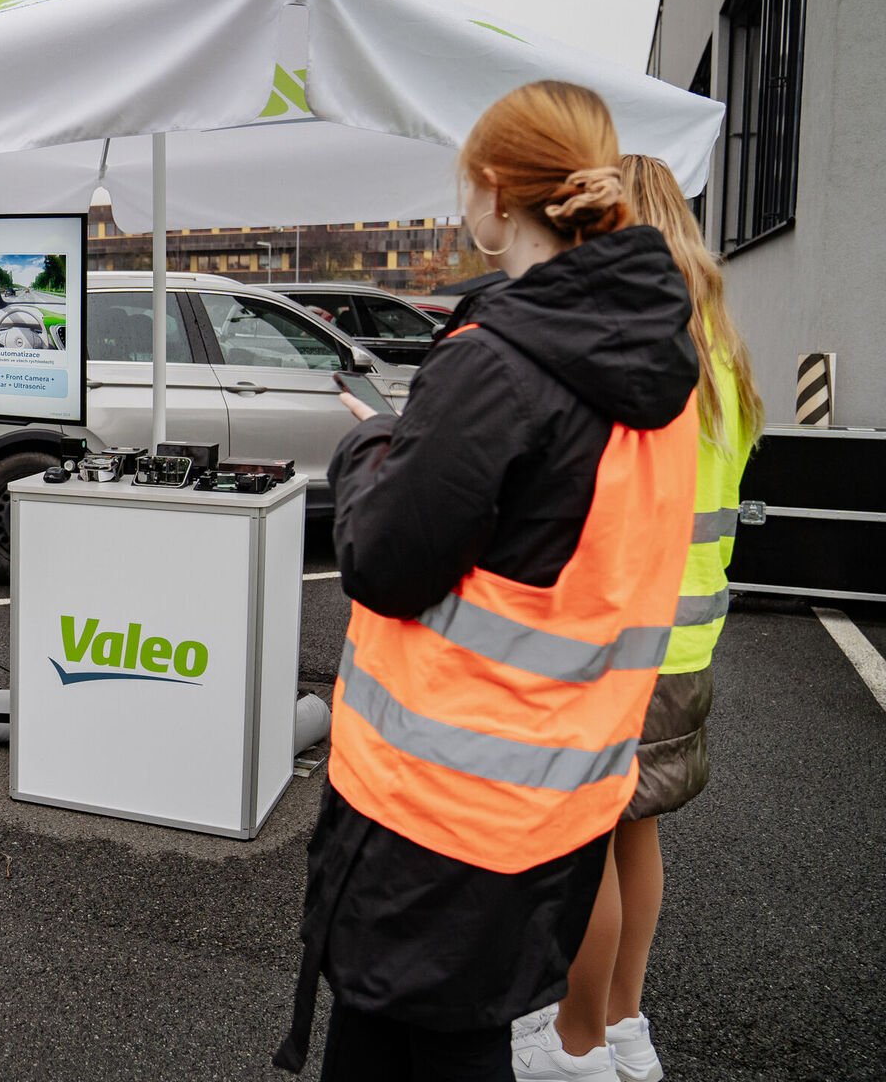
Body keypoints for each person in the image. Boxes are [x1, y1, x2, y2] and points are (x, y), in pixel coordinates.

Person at [273, 80, 701, 1081]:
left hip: (434, 814)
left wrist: (371, 438)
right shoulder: (659, 365)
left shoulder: (500, 361)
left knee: (412, 1042)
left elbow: (384, 558)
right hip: (558, 797)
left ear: (497, 193)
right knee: (454, 1039)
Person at [516, 154, 765, 1082]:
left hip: (617, 648)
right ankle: (624, 1029)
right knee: (636, 832)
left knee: (584, 848)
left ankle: (572, 1047)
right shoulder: (723, 358)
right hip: (690, 645)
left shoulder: (634, 357)